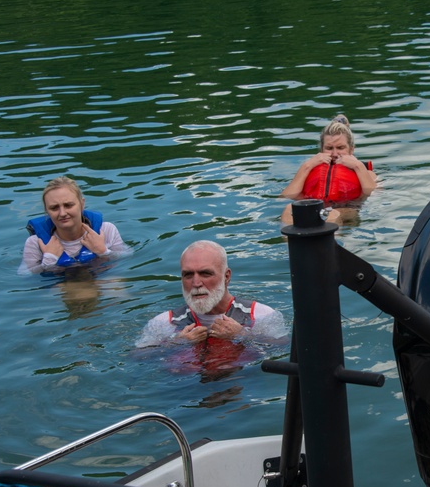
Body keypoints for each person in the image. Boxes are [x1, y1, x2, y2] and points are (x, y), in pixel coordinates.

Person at [136, 240, 286, 348]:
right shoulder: (165, 323)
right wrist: (176, 342)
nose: (196, 283)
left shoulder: (260, 315)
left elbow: (282, 349)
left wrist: (242, 335)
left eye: (205, 273)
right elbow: (137, 359)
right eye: (188, 275)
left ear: (226, 277)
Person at [20, 176, 130, 275]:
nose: (62, 213)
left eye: (68, 205)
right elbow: (24, 274)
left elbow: (128, 255)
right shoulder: (36, 242)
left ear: (82, 204)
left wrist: (103, 251)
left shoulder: (106, 230)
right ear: (46, 210)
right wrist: (49, 260)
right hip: (61, 283)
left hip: (100, 276)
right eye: (54, 208)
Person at [280, 115, 377, 225]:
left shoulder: (365, 172)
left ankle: (331, 240)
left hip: (347, 209)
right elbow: (285, 197)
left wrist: (358, 166)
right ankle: (290, 241)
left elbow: (373, 194)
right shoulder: (309, 169)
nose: (334, 154)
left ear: (351, 149)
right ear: (321, 149)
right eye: (329, 148)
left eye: (340, 148)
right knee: (289, 209)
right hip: (312, 207)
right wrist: (307, 166)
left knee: (332, 215)